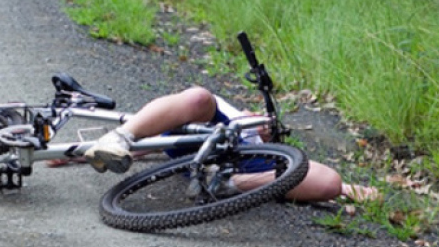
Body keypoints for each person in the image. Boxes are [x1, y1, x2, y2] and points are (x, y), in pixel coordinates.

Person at [83, 86, 379, 203]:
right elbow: (154, 143)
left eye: (272, 127)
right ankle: (117, 137)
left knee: (329, 182)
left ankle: (225, 182)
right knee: (198, 97)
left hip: (246, 164)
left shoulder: (272, 152)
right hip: (205, 127)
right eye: (262, 118)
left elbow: (325, 182)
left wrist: (346, 190)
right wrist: (82, 153)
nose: (266, 124)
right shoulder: (232, 113)